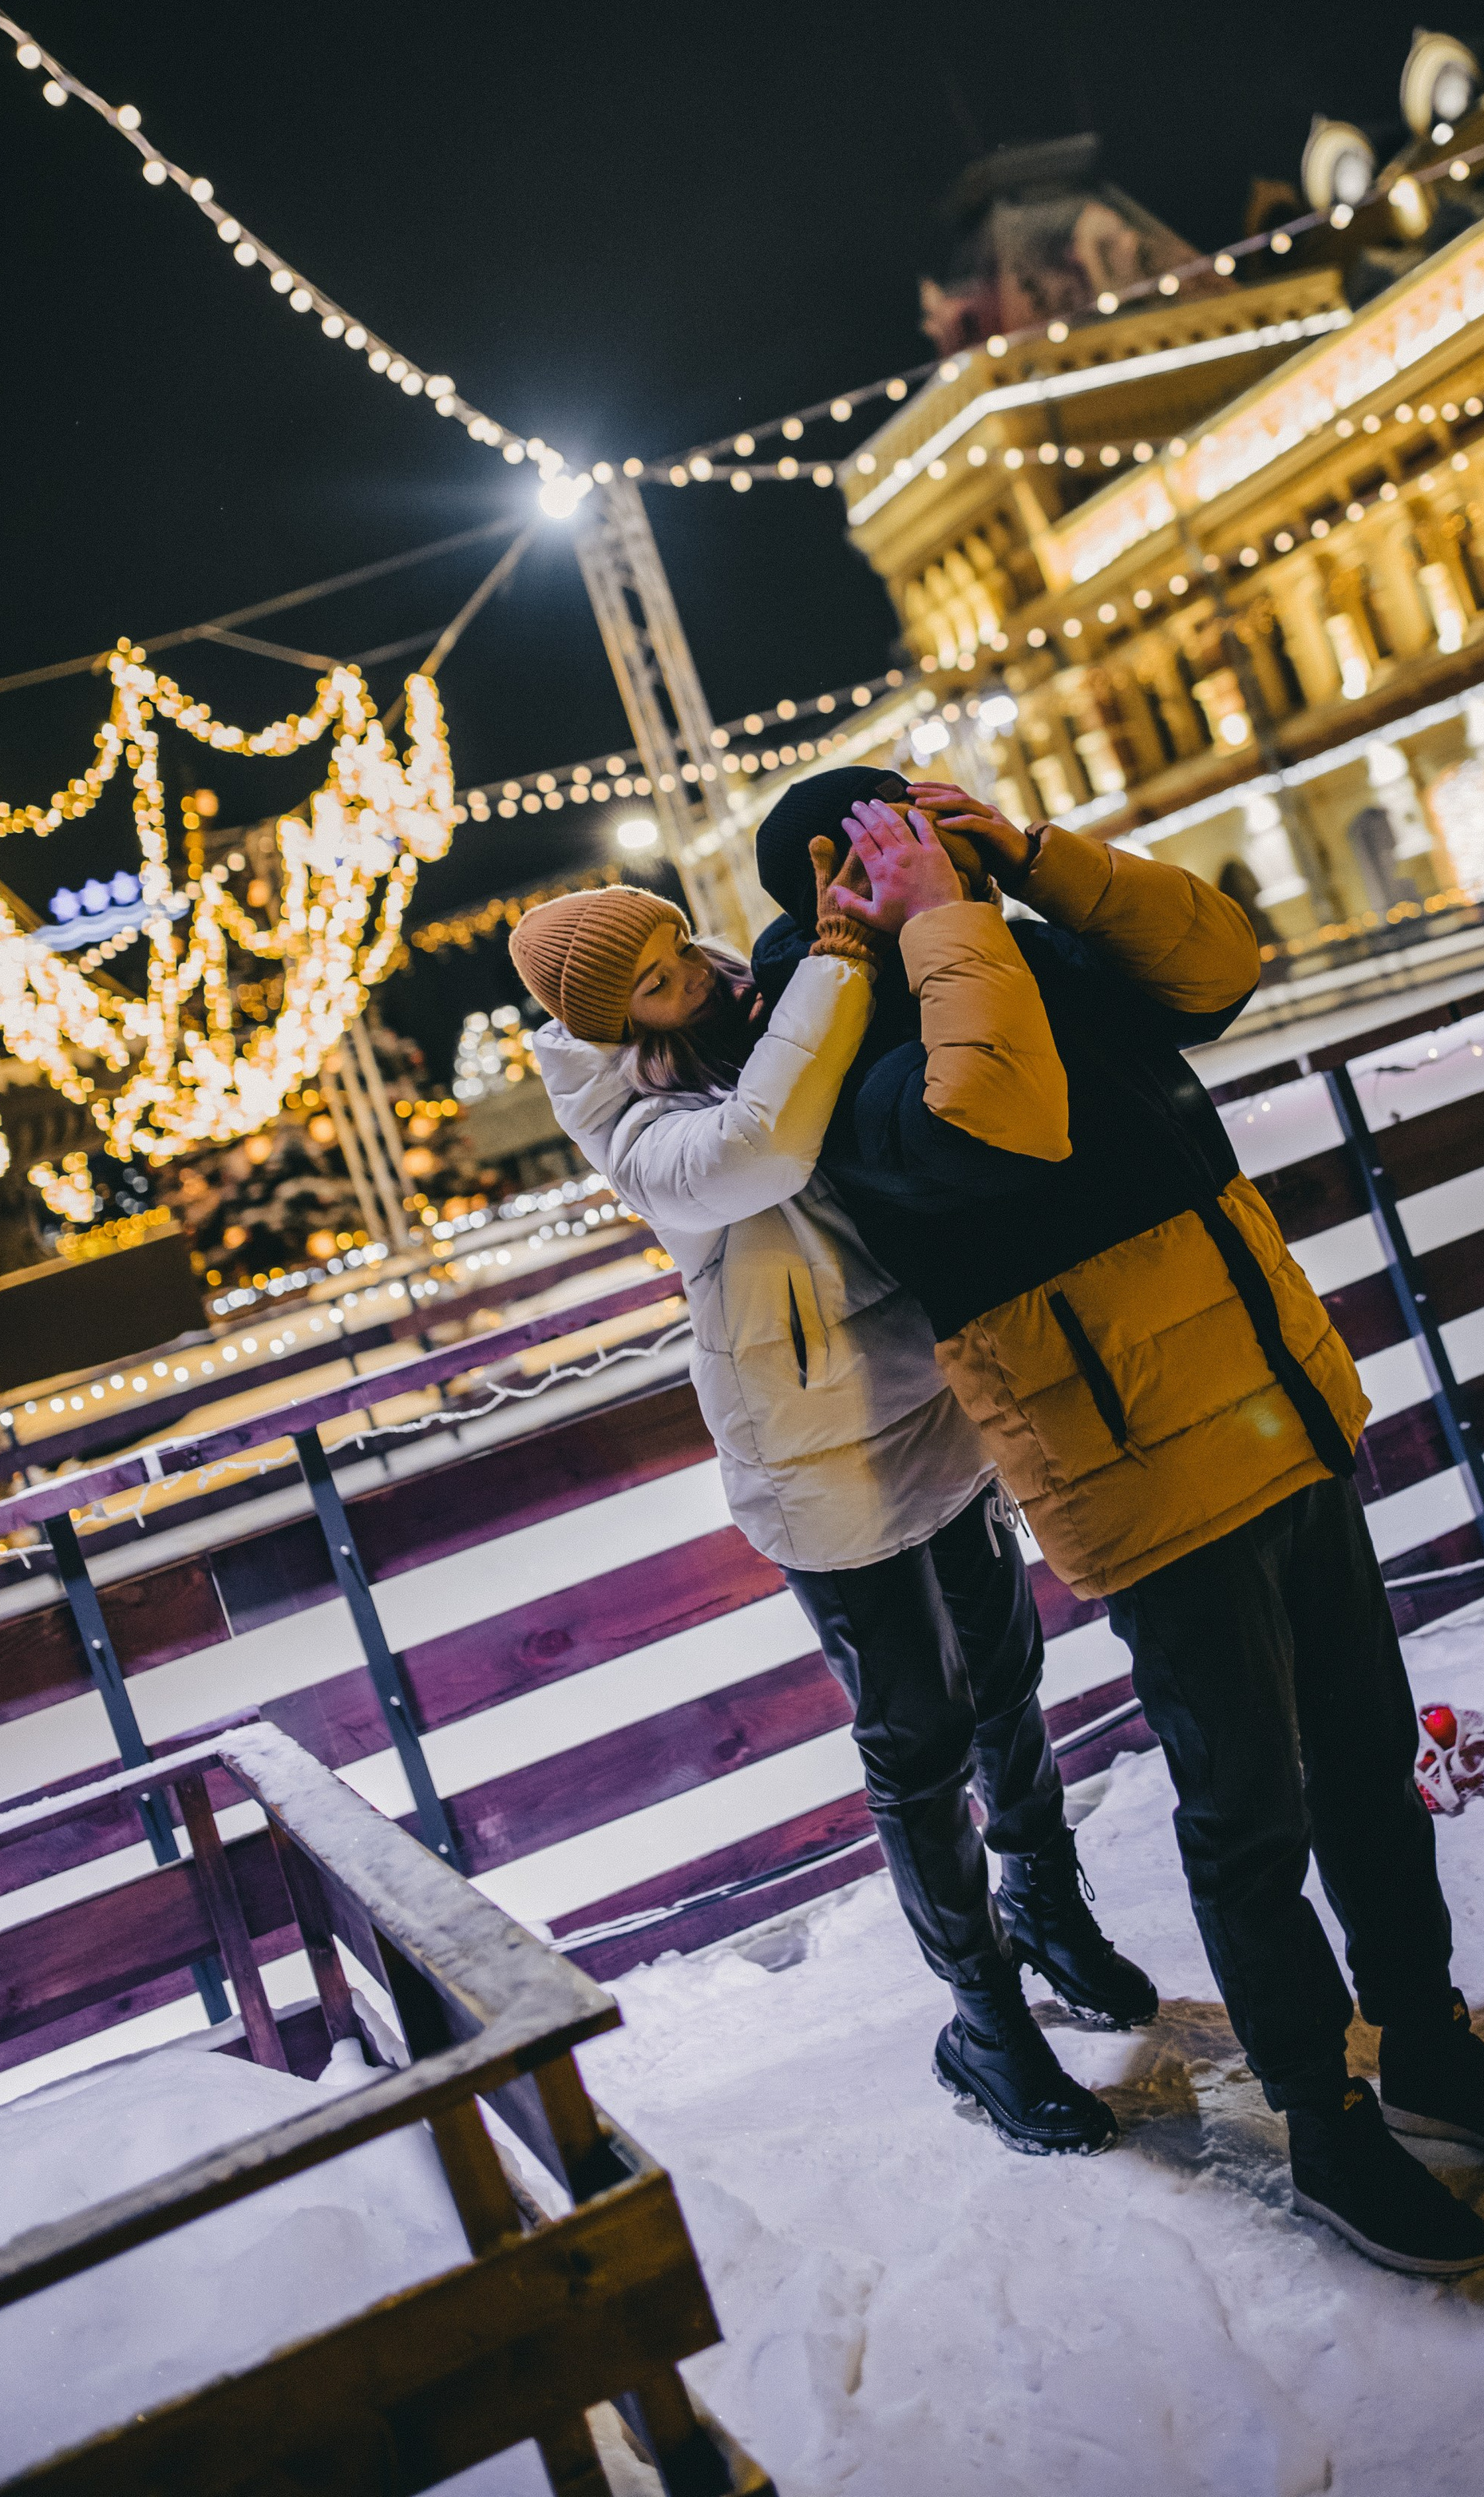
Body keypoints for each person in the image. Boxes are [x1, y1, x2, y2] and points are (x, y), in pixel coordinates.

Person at [755, 771, 1484, 2278]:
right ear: (839, 884)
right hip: (1143, 1469)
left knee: (1368, 1771)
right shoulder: (841, 1067)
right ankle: (1325, 2122)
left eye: (936, 827)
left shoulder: (1018, 937)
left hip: (1273, 1405)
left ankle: (1425, 2043)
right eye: (894, 845)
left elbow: (1218, 962)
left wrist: (1034, 859)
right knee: (1248, 1820)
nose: (932, 857)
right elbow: (998, 1122)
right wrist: (948, 926)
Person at [509, 858, 1155, 2161]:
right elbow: (763, 1144)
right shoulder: (640, 1137)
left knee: (1007, 1673)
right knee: (914, 1734)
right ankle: (984, 2022)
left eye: (680, 946)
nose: (693, 973)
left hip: (932, 1399)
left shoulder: (759, 1002)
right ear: (609, 1024)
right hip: (815, 1449)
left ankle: (1044, 1902)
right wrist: (841, 964)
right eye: (653, 979)